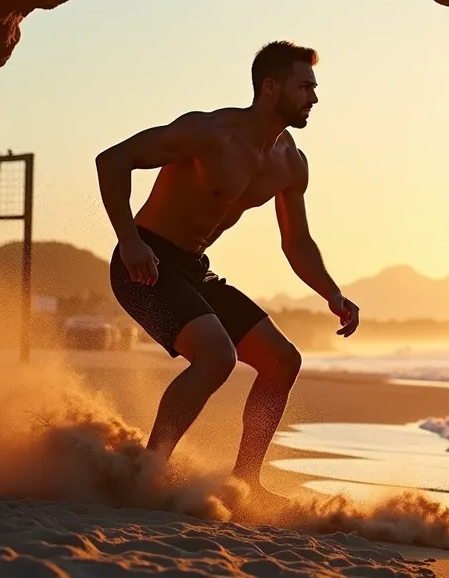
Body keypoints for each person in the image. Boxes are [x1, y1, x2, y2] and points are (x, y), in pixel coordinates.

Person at [94, 40, 359, 502]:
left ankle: (246, 480)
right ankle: (148, 473)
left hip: (193, 269)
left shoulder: (290, 164)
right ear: (270, 87)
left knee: (282, 361)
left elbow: (296, 242)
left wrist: (332, 294)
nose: (314, 98)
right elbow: (113, 160)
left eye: (314, 88)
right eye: (304, 86)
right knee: (217, 356)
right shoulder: (211, 132)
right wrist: (129, 241)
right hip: (144, 263)